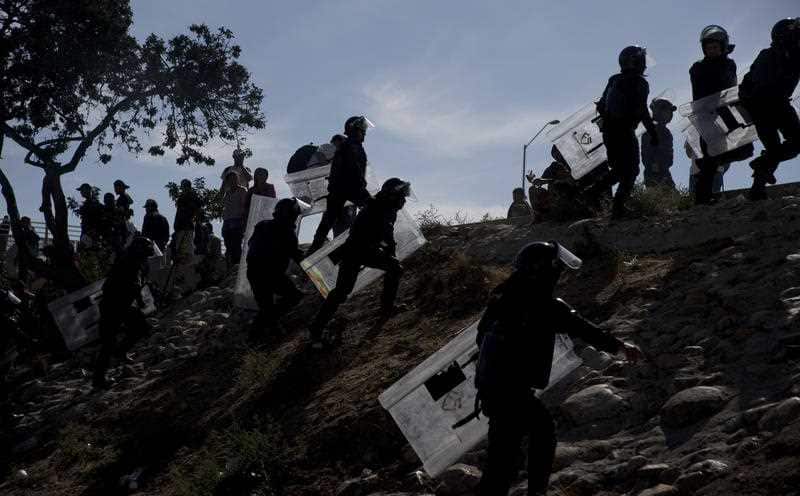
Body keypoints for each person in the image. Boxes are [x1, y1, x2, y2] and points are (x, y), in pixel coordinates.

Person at [474, 241, 642, 496]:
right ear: (544, 271)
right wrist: (621, 347)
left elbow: (480, 337)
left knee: (503, 459)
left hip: (491, 390)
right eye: (557, 271)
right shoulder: (546, 304)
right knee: (539, 433)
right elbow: (585, 329)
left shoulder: (501, 297)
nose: (559, 276)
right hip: (513, 392)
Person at [309, 178, 410, 349]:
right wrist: (389, 250)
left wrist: (389, 252)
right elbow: (383, 235)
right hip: (355, 251)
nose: (404, 200)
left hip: (366, 250)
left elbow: (387, 236)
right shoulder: (377, 207)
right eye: (402, 195)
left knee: (394, 268)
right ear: (393, 196)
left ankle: (387, 308)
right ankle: (316, 329)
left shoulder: (387, 209)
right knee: (341, 292)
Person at [689, 25, 752, 204]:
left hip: (728, 113)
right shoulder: (697, 68)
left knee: (746, 149)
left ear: (722, 46)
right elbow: (705, 89)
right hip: (707, 117)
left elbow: (730, 86)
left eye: (716, 47)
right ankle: (702, 200)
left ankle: (712, 163)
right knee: (709, 157)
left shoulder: (729, 63)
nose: (712, 50)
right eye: (709, 48)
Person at [740, 18, 800, 201]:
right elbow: (757, 85)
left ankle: (758, 183)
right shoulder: (769, 55)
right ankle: (758, 182)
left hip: (776, 105)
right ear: (784, 36)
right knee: (782, 147)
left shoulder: (794, 55)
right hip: (766, 107)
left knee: (779, 149)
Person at [596, 45, 659, 219]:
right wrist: (653, 133)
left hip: (609, 132)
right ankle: (618, 208)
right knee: (631, 171)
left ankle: (592, 193)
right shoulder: (640, 82)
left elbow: (601, 105)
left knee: (618, 170)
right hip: (624, 132)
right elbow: (642, 110)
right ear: (638, 62)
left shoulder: (613, 79)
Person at [92, 236, 155, 389]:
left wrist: (139, 300)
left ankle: (121, 352)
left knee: (141, 329)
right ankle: (99, 380)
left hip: (124, 305)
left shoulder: (137, 262)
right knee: (108, 343)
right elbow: (128, 285)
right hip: (112, 305)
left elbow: (136, 285)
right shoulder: (128, 261)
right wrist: (137, 299)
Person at [307, 116, 374, 255]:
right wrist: (362, 187)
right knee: (375, 210)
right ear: (354, 130)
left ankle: (313, 251)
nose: (365, 133)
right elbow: (353, 170)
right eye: (362, 130)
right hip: (348, 189)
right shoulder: (350, 147)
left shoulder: (350, 146)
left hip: (340, 190)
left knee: (326, 223)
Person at [246, 198, 305, 337]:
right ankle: (261, 333)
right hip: (272, 275)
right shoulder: (288, 233)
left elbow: (250, 244)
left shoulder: (262, 225)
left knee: (266, 308)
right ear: (292, 215)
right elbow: (298, 257)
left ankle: (256, 336)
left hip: (254, 273)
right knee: (294, 297)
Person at [641, 98, 677, 189]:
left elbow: (668, 155)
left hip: (663, 171)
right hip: (656, 174)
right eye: (667, 111)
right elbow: (647, 155)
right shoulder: (652, 131)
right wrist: (655, 168)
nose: (669, 114)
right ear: (659, 112)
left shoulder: (665, 131)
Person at [221, 171, 248, 268]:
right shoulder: (227, 193)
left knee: (236, 246)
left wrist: (244, 223)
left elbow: (245, 207)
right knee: (228, 246)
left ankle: (237, 267)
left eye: (234, 178)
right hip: (227, 222)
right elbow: (224, 206)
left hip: (237, 221)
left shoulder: (242, 191)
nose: (233, 180)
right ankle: (230, 267)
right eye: (230, 179)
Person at [76, 183, 103, 248]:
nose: (81, 192)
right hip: (88, 231)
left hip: (90, 232)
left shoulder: (93, 203)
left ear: (87, 190)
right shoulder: (89, 203)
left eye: (82, 190)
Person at [15, 217, 40, 283]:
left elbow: (37, 238)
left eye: (23, 222)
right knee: (23, 271)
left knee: (24, 271)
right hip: (27, 254)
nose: (21, 223)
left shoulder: (29, 230)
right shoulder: (26, 231)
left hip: (29, 255)